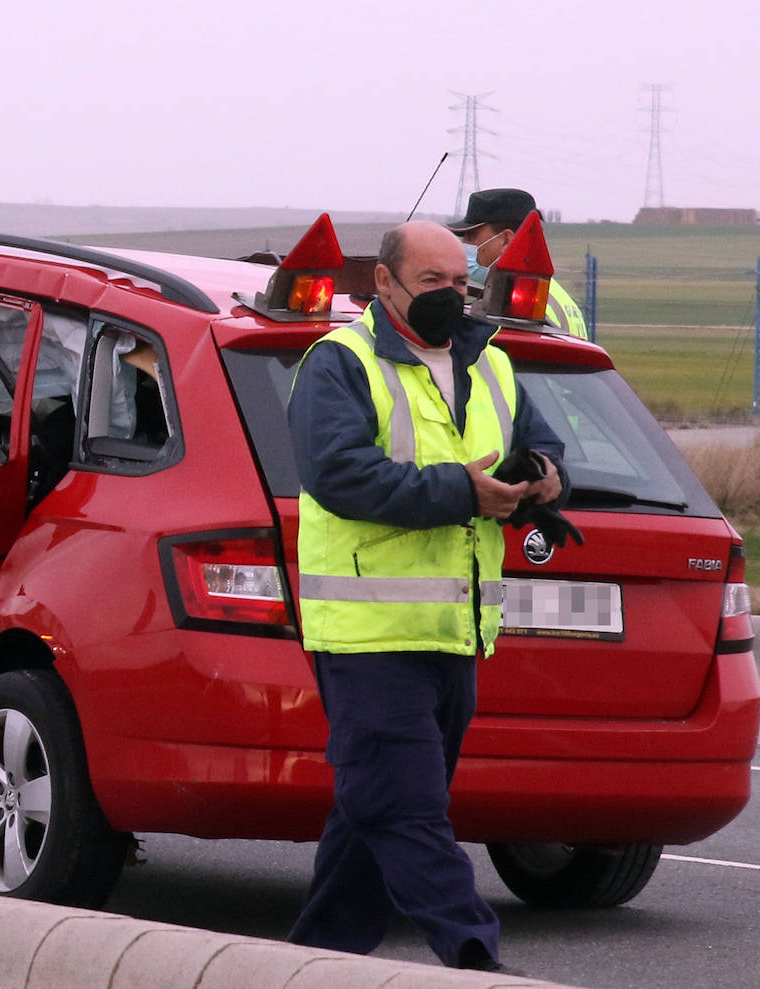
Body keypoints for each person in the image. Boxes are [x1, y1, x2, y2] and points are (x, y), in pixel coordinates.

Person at [285, 220, 567, 973]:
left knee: (369, 811)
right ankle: (477, 961)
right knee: (406, 810)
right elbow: (339, 474)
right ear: (384, 282)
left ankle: (309, 967)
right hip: (369, 638)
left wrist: (542, 477)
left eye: (461, 282)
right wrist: (463, 492)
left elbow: (542, 444)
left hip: (455, 636)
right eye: (433, 283)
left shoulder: (492, 362)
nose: (452, 297)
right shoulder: (338, 364)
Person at [449, 188, 588, 339]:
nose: (464, 243)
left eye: (472, 235)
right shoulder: (551, 293)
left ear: (506, 240)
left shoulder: (523, 301)